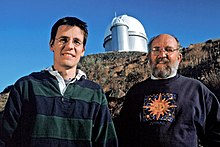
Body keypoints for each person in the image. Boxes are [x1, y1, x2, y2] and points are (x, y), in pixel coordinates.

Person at [0, 16, 118, 147]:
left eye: (76, 42)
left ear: (83, 50)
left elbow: (107, 143)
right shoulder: (26, 86)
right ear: (51, 44)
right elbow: (4, 139)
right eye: (63, 40)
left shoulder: (95, 93)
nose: (69, 46)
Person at [118, 34, 220, 147]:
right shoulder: (135, 92)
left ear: (179, 57)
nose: (162, 55)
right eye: (156, 50)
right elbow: (124, 134)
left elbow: (216, 133)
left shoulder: (196, 90)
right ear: (149, 57)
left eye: (169, 50)